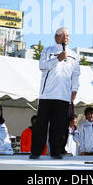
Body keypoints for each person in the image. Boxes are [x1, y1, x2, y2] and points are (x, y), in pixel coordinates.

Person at [30, 27, 80, 160]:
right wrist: (57, 59)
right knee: (41, 124)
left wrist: (74, 89)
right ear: (56, 37)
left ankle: (56, 151)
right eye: (63, 35)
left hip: (63, 96)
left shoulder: (74, 55)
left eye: (68, 35)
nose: (66, 37)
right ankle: (36, 151)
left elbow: (76, 74)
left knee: (59, 126)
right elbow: (42, 65)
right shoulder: (48, 50)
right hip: (47, 95)